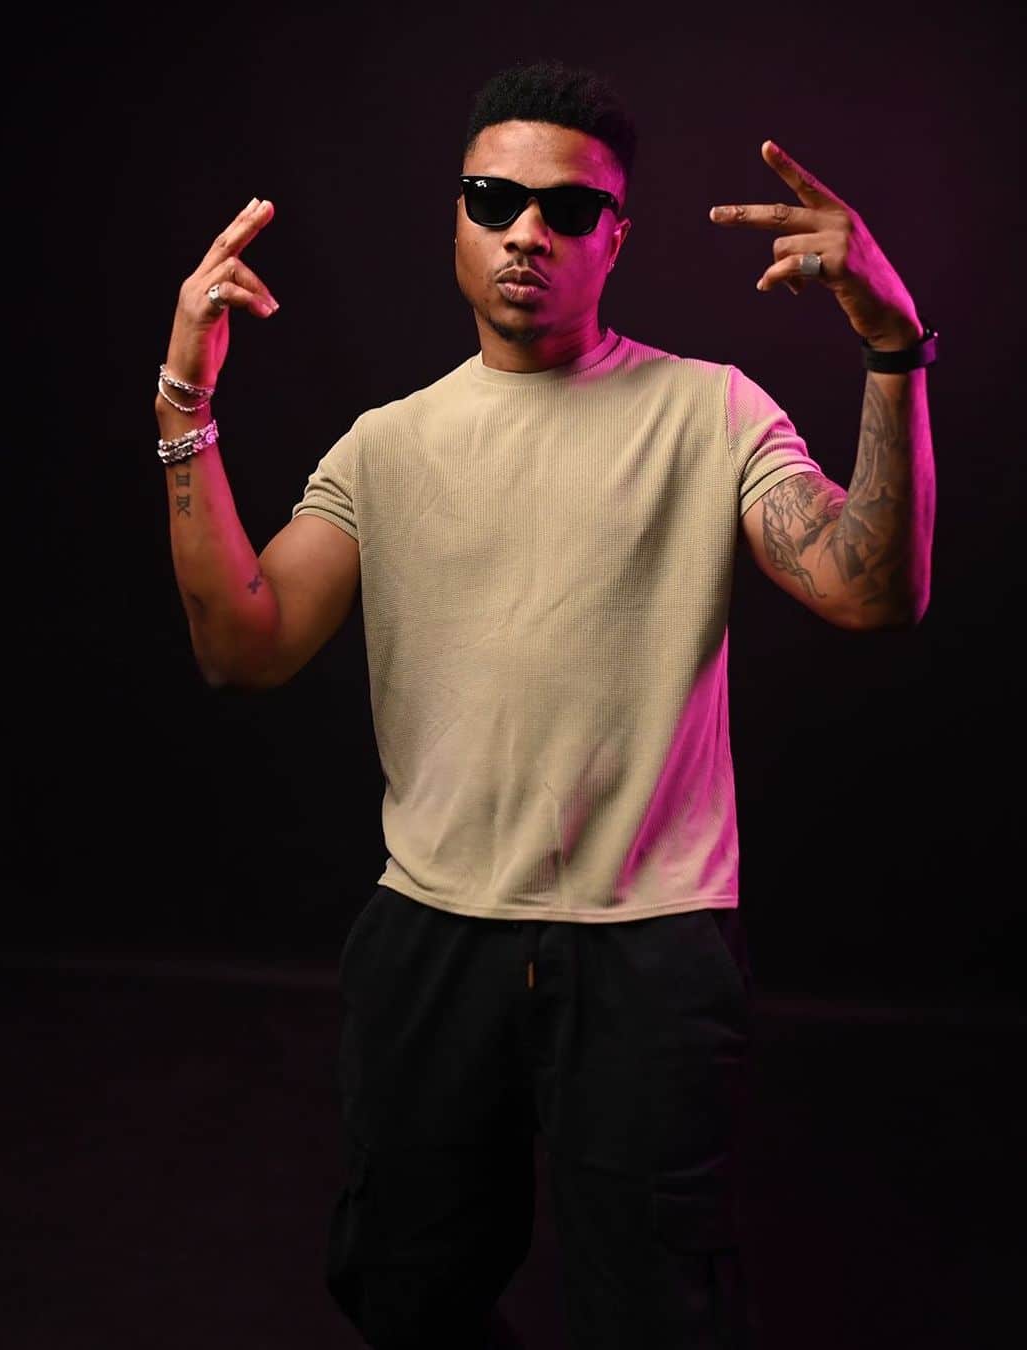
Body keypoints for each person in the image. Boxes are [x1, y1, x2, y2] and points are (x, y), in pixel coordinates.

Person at [153, 59, 935, 1350]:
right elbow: (246, 646)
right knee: (406, 1290)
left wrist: (891, 347)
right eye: (494, 199)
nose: (528, 231)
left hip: (652, 947)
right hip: (433, 935)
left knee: (658, 1310)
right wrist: (186, 399)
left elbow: (871, 591)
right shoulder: (386, 445)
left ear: (615, 238)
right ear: (456, 216)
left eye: (569, 210)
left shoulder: (711, 411)